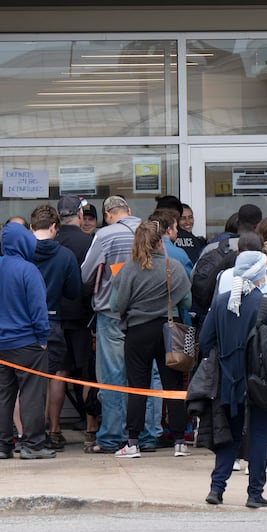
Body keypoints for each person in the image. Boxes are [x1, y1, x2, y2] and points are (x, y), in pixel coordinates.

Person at [198, 251, 267, 508]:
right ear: (260, 276)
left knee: (229, 434)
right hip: (260, 382)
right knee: (260, 435)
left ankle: (217, 489)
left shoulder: (221, 302)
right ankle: (255, 493)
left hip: (229, 380)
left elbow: (205, 342)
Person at [109, 219, 193, 458]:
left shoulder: (128, 269)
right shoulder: (173, 266)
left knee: (137, 387)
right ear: (160, 242)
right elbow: (187, 302)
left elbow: (115, 305)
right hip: (168, 331)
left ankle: (133, 442)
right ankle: (179, 441)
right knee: (172, 386)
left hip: (137, 332)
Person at [80, 195, 157, 453]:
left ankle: (112, 437)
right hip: (148, 316)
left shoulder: (105, 235)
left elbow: (86, 273)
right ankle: (147, 435)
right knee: (146, 376)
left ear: (107, 215)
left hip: (112, 315)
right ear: (129, 210)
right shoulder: (151, 232)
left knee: (113, 377)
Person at [0, 221, 54, 460]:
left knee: (3, 395)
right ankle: (33, 444)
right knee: (31, 395)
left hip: (2, 345)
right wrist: (42, 337)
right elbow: (38, 309)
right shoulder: (28, 270)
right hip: (29, 344)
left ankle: (2, 445)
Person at [27, 204, 82, 451]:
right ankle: (55, 429)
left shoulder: (22, 253)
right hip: (53, 319)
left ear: (31, 227)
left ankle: (30, 432)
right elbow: (73, 291)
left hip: (25, 322)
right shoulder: (65, 256)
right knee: (57, 374)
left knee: (28, 377)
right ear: (54, 227)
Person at [52, 195, 97, 450]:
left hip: (55, 316)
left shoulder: (52, 241)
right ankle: (91, 430)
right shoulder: (89, 241)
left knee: (58, 373)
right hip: (83, 317)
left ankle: (54, 430)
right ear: (79, 215)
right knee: (87, 374)